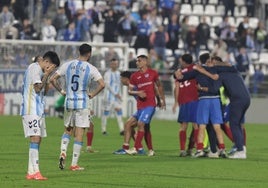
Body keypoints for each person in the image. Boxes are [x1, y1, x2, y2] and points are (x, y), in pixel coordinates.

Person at [50, 43, 105, 171]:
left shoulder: (67, 65)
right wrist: (92, 94)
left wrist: (61, 91)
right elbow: (102, 85)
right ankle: (74, 164)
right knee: (79, 133)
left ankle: (63, 152)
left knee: (67, 130)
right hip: (82, 103)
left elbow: (52, 79)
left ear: (79, 52)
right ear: (89, 54)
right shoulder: (91, 68)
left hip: (69, 101)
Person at [194, 56, 251, 159]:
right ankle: (241, 147)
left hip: (236, 100)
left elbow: (214, 89)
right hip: (246, 98)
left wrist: (201, 88)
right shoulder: (234, 71)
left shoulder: (221, 74)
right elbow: (230, 66)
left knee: (234, 124)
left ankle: (240, 151)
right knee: (238, 124)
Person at [175, 53, 227, 158]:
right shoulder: (217, 70)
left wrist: (176, 74)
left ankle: (199, 149)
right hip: (216, 100)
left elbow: (181, 78)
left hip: (204, 100)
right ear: (209, 60)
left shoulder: (197, 70)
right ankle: (222, 149)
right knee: (217, 126)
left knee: (201, 126)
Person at [21, 51, 60, 180]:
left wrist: (47, 76)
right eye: (53, 67)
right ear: (47, 62)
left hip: (38, 110)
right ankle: (36, 172)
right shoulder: (35, 68)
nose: (53, 69)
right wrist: (47, 74)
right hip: (31, 109)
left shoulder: (40, 71)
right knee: (35, 138)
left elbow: (45, 90)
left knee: (38, 139)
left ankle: (30, 171)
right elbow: (37, 88)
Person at [125, 55, 166, 155]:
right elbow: (129, 91)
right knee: (145, 127)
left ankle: (135, 148)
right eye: (136, 61)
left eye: (139, 61)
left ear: (145, 62)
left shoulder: (153, 73)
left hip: (150, 105)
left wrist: (161, 100)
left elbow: (159, 86)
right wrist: (138, 93)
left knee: (140, 124)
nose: (137, 63)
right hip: (140, 106)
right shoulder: (134, 76)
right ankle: (151, 150)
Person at [113, 71, 159, 156]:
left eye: (121, 79)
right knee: (129, 124)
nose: (120, 81)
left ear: (125, 79)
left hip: (148, 107)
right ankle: (136, 148)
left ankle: (137, 148)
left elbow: (152, 88)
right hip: (141, 109)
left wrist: (159, 100)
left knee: (142, 126)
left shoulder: (135, 84)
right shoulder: (132, 86)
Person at [172, 54, 199, 157]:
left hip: (183, 101)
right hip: (194, 99)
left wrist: (176, 102)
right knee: (196, 125)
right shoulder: (196, 68)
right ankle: (197, 149)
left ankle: (183, 150)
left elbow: (176, 88)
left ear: (183, 61)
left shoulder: (179, 73)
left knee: (183, 126)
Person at [101, 58, 124, 135]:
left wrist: (120, 95)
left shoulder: (119, 73)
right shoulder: (107, 74)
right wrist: (115, 93)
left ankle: (122, 130)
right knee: (106, 113)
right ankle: (103, 130)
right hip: (108, 97)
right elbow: (107, 85)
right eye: (113, 64)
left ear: (117, 64)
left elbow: (119, 85)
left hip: (116, 98)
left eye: (116, 64)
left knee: (119, 112)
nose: (114, 65)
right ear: (110, 64)